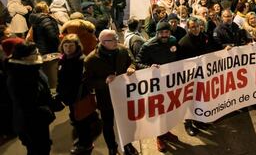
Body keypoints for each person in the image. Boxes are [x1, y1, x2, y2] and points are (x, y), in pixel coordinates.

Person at [84, 30, 138, 155]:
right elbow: (88, 82)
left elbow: (133, 61)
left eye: (116, 38)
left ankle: (127, 144)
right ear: (102, 42)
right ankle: (112, 147)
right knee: (108, 124)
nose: (116, 42)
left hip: (123, 94)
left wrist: (132, 67)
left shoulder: (122, 50)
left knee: (125, 121)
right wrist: (104, 81)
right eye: (112, 40)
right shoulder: (91, 59)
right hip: (105, 98)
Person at [135, 22, 180, 152]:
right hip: (155, 84)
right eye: (161, 33)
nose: (164, 35)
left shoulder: (173, 41)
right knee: (159, 111)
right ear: (157, 33)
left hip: (171, 81)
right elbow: (138, 62)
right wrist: (149, 68)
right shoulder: (148, 45)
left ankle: (166, 131)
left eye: (167, 32)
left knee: (169, 108)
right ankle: (159, 136)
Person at [6, 42, 56, 155]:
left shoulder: (32, 67)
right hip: (31, 122)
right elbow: (26, 104)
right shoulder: (18, 76)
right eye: (35, 53)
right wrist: (46, 109)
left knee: (43, 146)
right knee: (37, 149)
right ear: (24, 57)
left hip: (39, 119)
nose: (38, 54)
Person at [56, 34, 94, 154]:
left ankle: (86, 144)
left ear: (77, 46)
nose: (68, 48)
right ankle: (82, 140)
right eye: (65, 45)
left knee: (83, 121)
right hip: (70, 97)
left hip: (79, 97)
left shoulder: (81, 60)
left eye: (71, 46)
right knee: (77, 120)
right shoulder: (64, 59)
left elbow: (80, 82)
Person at [178, 17, 214, 136]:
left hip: (203, 74)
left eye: (197, 26)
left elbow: (214, 49)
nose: (196, 29)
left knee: (201, 98)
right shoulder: (183, 42)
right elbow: (179, 62)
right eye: (192, 27)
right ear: (188, 28)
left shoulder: (205, 37)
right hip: (190, 77)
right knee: (189, 101)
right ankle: (188, 124)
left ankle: (198, 120)